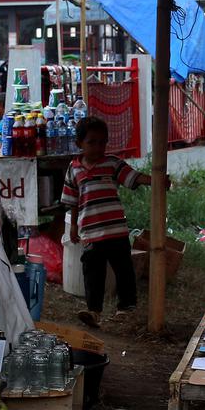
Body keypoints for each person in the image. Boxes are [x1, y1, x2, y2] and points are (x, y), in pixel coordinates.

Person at [61, 116, 165, 328]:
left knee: (124, 269)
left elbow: (134, 177)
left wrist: (157, 179)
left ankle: (126, 307)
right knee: (93, 274)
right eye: (92, 142)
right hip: (90, 232)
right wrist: (73, 226)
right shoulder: (74, 169)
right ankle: (94, 311)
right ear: (80, 143)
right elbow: (72, 200)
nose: (98, 147)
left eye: (102, 142)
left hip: (116, 230)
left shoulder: (112, 164)